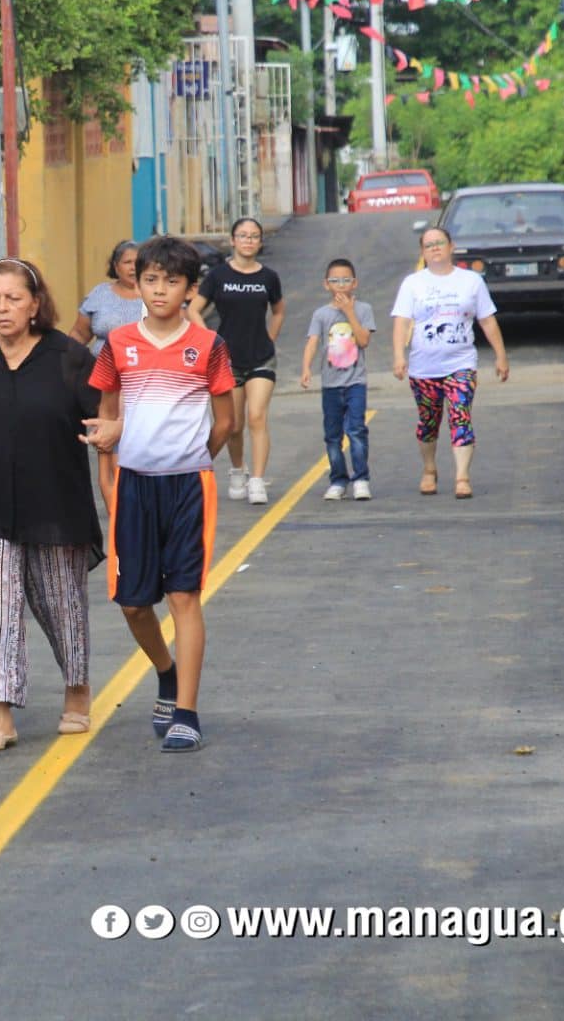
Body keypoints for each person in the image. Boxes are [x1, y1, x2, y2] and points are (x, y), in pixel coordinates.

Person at [0, 258, 102, 752]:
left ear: (35, 305)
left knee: (61, 606)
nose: (2, 308)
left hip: (56, 504)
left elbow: (110, 414)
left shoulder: (68, 356)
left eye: (13, 298)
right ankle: (1, 713)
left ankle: (77, 688)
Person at [82, 236, 235, 753]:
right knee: (133, 604)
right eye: (151, 280)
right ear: (137, 283)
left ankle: (186, 712)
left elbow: (226, 421)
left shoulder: (209, 346)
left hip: (189, 485)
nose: (160, 289)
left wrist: (192, 458)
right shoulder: (118, 342)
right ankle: (166, 672)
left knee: (184, 596)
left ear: (190, 289)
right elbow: (108, 415)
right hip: (133, 486)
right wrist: (108, 479)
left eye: (172, 281)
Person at [390, 228, 510, 499]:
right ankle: (429, 469)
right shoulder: (413, 284)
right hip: (424, 367)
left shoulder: (471, 281)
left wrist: (501, 355)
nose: (435, 248)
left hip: (461, 364)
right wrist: (398, 355)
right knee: (428, 421)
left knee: (461, 416)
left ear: (451, 246)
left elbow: (487, 320)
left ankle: (462, 477)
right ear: (423, 252)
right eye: (429, 245)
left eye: (439, 243)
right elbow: (402, 322)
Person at [189, 218, 285, 505]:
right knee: (233, 424)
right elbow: (194, 310)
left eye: (254, 236)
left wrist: (270, 337)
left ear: (260, 242)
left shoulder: (268, 277)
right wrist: (210, 341)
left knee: (257, 416)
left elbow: (279, 311)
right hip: (227, 360)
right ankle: (238, 469)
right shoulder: (218, 275)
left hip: (261, 358)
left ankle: (257, 480)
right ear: (232, 240)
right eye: (243, 235)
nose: (248, 240)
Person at [300, 258, 376, 501]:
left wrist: (349, 312)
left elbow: (363, 340)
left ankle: (361, 478)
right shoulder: (321, 314)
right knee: (333, 435)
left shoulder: (363, 309)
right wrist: (306, 368)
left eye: (346, 280)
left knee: (356, 430)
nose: (341, 285)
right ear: (326, 284)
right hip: (330, 384)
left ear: (354, 283)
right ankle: (338, 480)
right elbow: (313, 341)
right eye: (335, 280)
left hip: (355, 382)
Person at [68, 240, 142, 356]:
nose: (133, 267)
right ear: (116, 267)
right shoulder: (100, 293)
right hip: (99, 365)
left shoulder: (154, 295)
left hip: (144, 365)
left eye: (138, 263)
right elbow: (80, 334)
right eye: (127, 262)